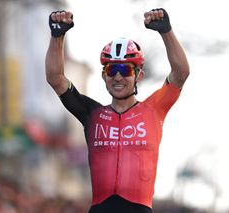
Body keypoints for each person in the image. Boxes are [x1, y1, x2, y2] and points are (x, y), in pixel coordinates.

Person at [45, 8, 189, 213]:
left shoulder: (154, 109)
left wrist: (166, 32)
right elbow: (55, 78)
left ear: (138, 75)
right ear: (104, 76)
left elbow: (181, 73)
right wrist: (57, 36)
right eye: (112, 70)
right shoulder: (91, 114)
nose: (118, 77)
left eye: (125, 70)